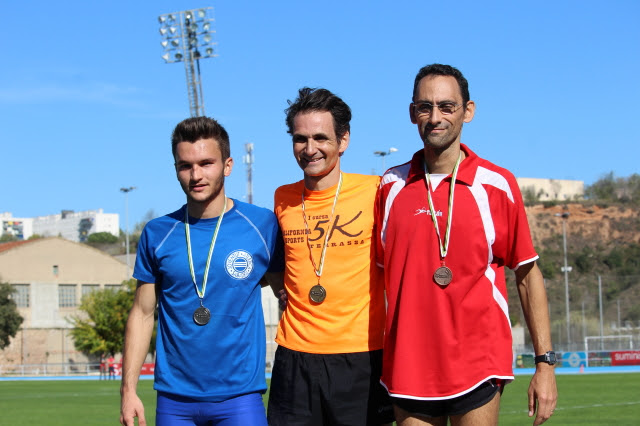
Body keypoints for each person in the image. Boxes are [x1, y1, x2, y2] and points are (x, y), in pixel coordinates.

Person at [375, 64, 558, 426]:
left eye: (447, 106)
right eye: (425, 107)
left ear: (467, 111)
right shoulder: (390, 186)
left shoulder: (496, 185)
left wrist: (545, 363)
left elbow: (527, 274)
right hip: (409, 362)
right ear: (412, 113)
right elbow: (374, 279)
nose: (435, 117)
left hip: (478, 361)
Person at [119, 117, 281, 426]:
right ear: (176, 169)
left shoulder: (262, 225)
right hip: (175, 402)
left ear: (227, 165)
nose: (196, 175)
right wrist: (128, 391)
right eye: (186, 166)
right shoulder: (158, 233)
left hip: (240, 398)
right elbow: (142, 313)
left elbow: (286, 294)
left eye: (206, 163)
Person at [265, 87, 394, 425]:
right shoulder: (282, 198)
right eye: (300, 139)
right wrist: (281, 288)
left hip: (361, 358)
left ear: (343, 140)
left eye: (320, 138)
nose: (310, 149)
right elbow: (276, 261)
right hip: (295, 358)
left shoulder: (376, 191)